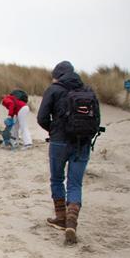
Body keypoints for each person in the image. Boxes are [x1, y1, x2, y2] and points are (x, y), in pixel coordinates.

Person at [38, 61, 100, 244]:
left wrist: (53, 129)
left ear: (57, 75)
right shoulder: (88, 90)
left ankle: (61, 218)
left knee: (57, 179)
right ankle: (72, 221)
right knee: (75, 183)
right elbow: (96, 120)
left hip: (59, 142)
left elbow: (42, 117)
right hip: (83, 142)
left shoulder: (54, 89)